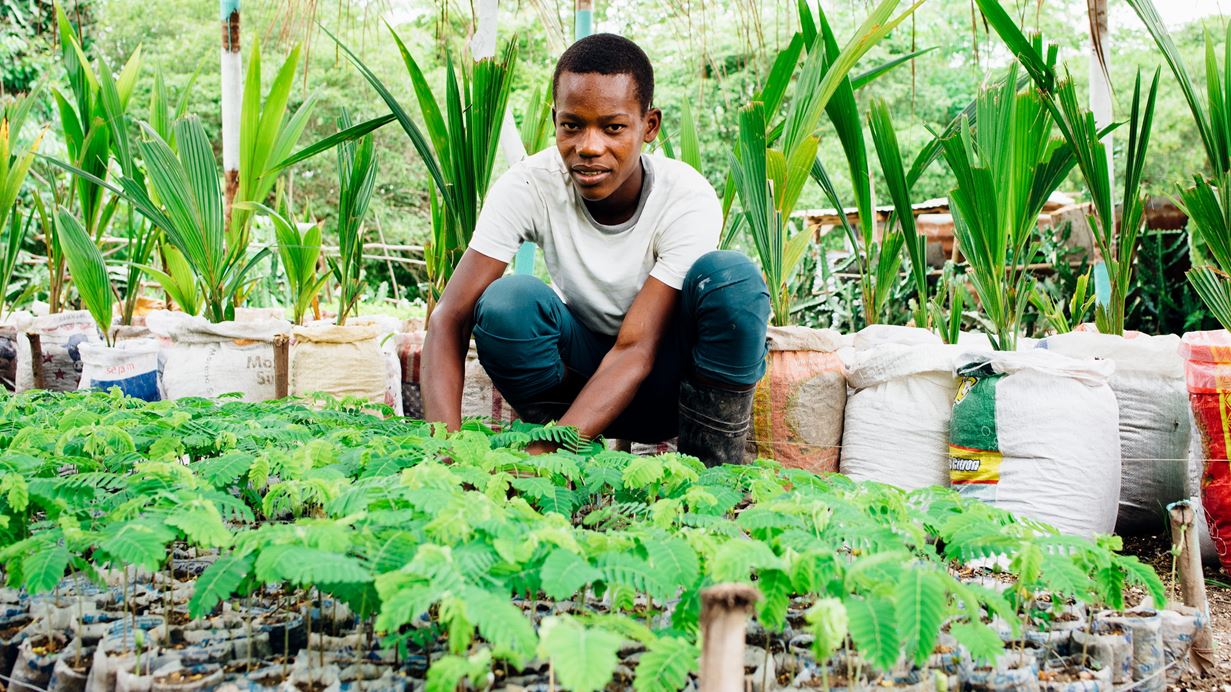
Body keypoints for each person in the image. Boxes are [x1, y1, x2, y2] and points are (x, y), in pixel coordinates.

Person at [420, 33, 770, 465]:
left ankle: (716, 476)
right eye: (572, 125)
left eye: (613, 127)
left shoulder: (686, 198)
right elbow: (448, 318)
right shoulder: (530, 184)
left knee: (731, 279)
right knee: (508, 304)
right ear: (555, 120)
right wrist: (444, 455)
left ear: (649, 126)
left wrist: (549, 453)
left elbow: (636, 349)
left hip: (672, 391)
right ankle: (567, 468)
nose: (589, 146)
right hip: (580, 386)